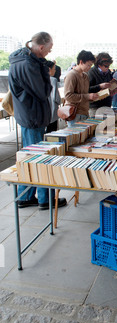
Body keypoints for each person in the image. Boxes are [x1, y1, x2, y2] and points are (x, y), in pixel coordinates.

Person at [8, 32, 66, 210]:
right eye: (49, 48)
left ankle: (26, 196)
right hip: (32, 117)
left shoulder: (24, 61)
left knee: (30, 158)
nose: (50, 52)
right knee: (38, 159)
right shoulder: (28, 64)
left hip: (30, 115)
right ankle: (44, 199)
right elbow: (42, 92)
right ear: (41, 47)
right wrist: (48, 73)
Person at [63, 50, 99, 125]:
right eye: (88, 65)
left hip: (85, 113)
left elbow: (85, 94)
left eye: (91, 65)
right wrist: (88, 96)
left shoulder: (85, 76)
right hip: (74, 114)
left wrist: (92, 97)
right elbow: (68, 96)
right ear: (81, 62)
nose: (90, 68)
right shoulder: (71, 75)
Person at [88, 52, 114, 117]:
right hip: (95, 107)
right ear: (99, 65)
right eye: (106, 66)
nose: (107, 68)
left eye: (109, 66)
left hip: (107, 105)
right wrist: (100, 86)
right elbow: (87, 89)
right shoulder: (91, 73)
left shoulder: (108, 73)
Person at [45, 60, 61, 133]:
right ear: (49, 69)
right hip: (52, 111)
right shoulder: (53, 80)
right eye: (54, 69)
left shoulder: (39, 78)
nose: (55, 71)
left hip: (44, 112)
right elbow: (56, 98)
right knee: (52, 132)